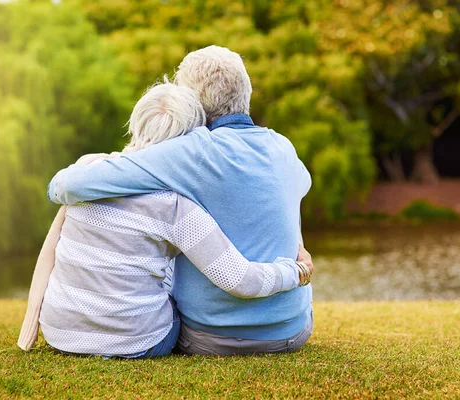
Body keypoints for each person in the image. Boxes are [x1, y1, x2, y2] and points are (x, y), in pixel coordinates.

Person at [47, 46, 314, 355]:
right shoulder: (283, 147)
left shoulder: (189, 151)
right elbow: (296, 191)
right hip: (291, 331)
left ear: (191, 103)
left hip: (208, 339)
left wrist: (96, 161)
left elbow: (65, 186)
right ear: (247, 92)